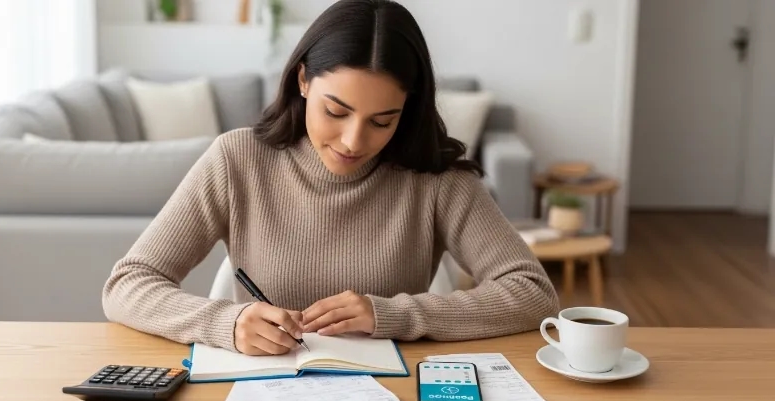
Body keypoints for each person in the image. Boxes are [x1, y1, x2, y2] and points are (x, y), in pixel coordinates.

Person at [102, 0, 559, 356]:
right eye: (335, 111)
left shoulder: (436, 181)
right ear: (303, 81)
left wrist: (394, 315)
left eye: (382, 121)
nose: (353, 141)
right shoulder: (236, 160)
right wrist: (224, 323)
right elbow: (128, 285)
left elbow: (533, 294)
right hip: (261, 396)